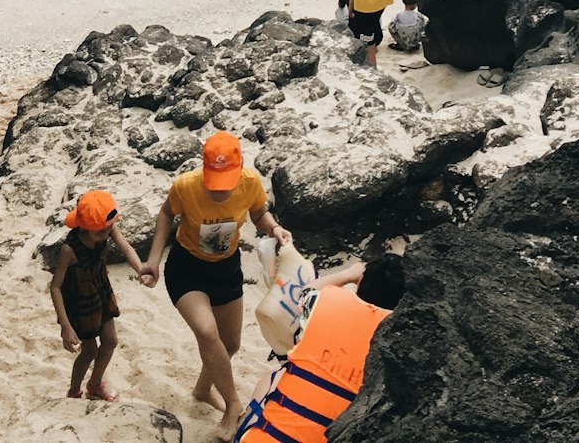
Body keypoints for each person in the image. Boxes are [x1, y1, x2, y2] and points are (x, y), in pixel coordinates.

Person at [142, 132, 292, 443]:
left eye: (226, 182)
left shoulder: (250, 182)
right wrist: (154, 260)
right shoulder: (186, 185)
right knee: (208, 333)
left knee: (231, 344)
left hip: (226, 267)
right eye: (214, 182)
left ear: (239, 170)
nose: (220, 191)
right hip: (187, 269)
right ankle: (233, 404)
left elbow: (259, 213)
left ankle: (202, 389)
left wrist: (275, 228)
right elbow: (167, 214)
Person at [236, 258, 405, 441]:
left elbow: (306, 292)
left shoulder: (326, 303)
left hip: (262, 439)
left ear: (360, 283)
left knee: (275, 375)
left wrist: (348, 274)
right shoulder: (398, 338)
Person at [50, 188, 149, 403]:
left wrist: (141, 270)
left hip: (100, 293)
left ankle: (94, 385)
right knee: (89, 350)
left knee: (110, 341)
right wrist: (65, 327)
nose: (105, 235)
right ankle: (74, 391)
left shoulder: (106, 227)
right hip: (79, 303)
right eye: (99, 233)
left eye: (107, 230)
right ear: (84, 228)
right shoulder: (70, 249)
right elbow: (55, 287)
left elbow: (127, 249)